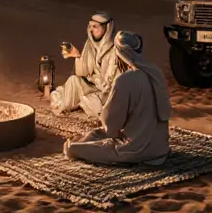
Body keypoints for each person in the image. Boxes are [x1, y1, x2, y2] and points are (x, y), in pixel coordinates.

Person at [64, 31, 171, 165]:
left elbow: (111, 123)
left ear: (120, 55)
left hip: (134, 150)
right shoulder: (156, 73)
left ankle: (74, 147)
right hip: (160, 149)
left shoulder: (125, 80)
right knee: (94, 134)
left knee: (74, 148)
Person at [50, 11, 117, 117]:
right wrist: (77, 56)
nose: (91, 30)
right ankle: (64, 106)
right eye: (90, 26)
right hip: (92, 87)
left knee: (97, 105)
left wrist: (94, 79)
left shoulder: (115, 49)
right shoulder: (89, 45)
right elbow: (82, 73)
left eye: (95, 27)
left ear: (107, 28)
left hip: (107, 92)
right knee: (73, 81)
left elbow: (111, 82)